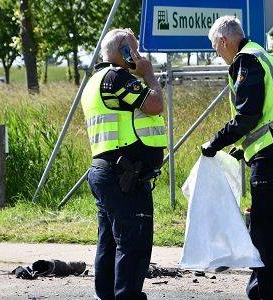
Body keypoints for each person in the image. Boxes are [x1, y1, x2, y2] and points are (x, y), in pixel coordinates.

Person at [201, 16, 273, 300]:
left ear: (224, 41)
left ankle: (269, 294)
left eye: (216, 48)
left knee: (265, 231)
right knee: (272, 228)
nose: (218, 54)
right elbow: (268, 115)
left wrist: (214, 143)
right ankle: (265, 289)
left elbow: (248, 115)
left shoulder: (245, 61)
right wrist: (242, 149)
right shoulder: (261, 54)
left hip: (272, 156)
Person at [80, 28, 166, 300]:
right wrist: (148, 73)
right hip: (124, 175)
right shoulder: (117, 77)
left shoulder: (95, 80)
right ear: (124, 52)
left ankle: (106, 296)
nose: (139, 55)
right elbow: (154, 104)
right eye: (135, 50)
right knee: (134, 243)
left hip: (106, 171)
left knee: (109, 242)